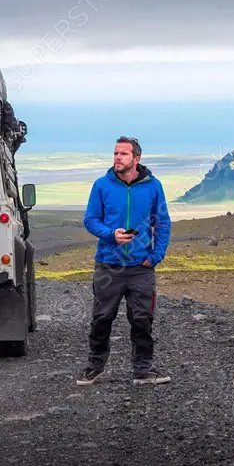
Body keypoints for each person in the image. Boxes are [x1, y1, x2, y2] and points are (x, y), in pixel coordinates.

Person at [76, 136, 172, 386]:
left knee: (142, 320)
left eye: (123, 154)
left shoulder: (153, 186)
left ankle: (142, 371)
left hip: (141, 269)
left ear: (136, 159)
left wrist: (155, 257)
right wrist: (111, 234)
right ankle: (94, 367)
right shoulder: (101, 185)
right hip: (108, 265)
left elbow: (162, 222)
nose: (117, 158)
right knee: (101, 318)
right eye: (116, 153)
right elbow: (90, 220)